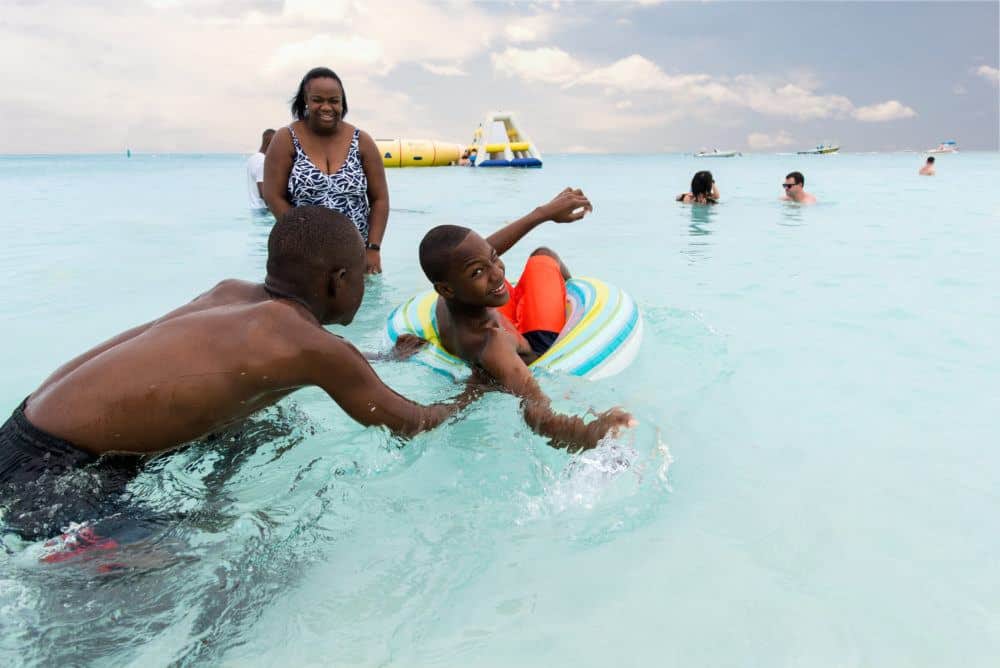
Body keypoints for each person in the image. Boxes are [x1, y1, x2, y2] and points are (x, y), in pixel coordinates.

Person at [1, 207, 473, 541]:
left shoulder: (230, 294)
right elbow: (413, 423)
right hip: (53, 480)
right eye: (360, 276)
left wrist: (381, 359)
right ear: (338, 280)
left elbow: (206, 366)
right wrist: (476, 393)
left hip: (21, 433)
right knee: (221, 584)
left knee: (268, 427)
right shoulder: (315, 348)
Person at [410, 189, 635, 452]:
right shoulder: (492, 342)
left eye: (494, 258)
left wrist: (543, 214)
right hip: (537, 344)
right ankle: (570, 293)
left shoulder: (446, 301)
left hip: (492, 315)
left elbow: (473, 255)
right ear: (446, 289)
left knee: (498, 268)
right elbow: (536, 412)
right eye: (479, 272)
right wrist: (590, 432)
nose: (497, 274)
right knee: (544, 254)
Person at [263, 67, 388, 274]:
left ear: (342, 103)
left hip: (354, 254)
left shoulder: (362, 141)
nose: (326, 107)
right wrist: (304, 238)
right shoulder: (286, 139)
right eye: (318, 99)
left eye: (334, 101)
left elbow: (380, 199)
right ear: (306, 100)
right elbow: (273, 196)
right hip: (303, 252)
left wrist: (373, 248)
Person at [247, 129, 275, 212]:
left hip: (254, 208)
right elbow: (263, 193)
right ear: (271, 143)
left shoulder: (252, 158)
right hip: (263, 210)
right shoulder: (263, 161)